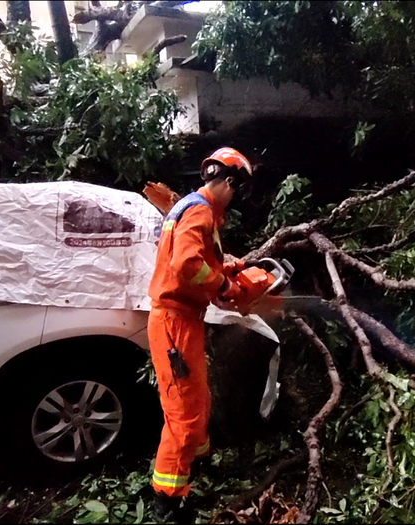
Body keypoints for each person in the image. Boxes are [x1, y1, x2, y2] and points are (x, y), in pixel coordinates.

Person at [146, 147, 253, 522]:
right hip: (174, 321)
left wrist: (232, 269)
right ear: (229, 181)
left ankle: (197, 462)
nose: (235, 196)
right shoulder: (200, 211)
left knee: (198, 398)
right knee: (184, 414)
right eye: (236, 189)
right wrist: (224, 286)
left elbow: (199, 259)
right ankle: (168, 500)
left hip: (183, 320)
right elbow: (186, 263)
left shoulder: (191, 207)